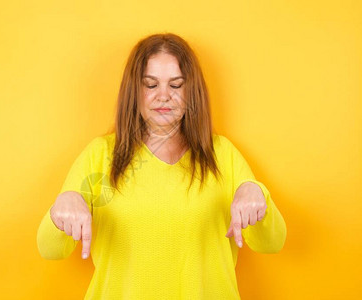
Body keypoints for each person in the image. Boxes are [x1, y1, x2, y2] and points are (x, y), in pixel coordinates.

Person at [37, 33, 287, 299]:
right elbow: (50, 250)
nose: (164, 96)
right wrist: (63, 206)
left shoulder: (222, 154)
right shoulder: (100, 155)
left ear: (192, 92)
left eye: (176, 85)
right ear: (134, 91)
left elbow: (272, 243)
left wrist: (255, 192)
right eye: (150, 84)